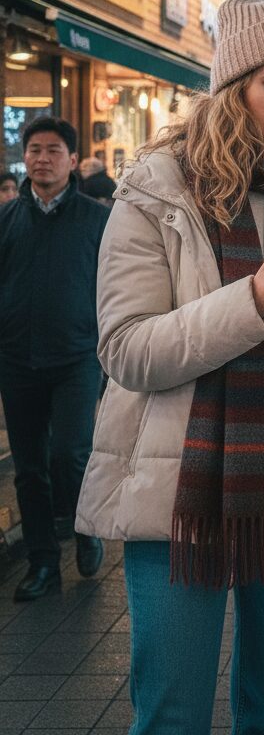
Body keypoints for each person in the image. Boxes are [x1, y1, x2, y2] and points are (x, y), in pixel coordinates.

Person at [75, 0, 264, 734]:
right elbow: (126, 348)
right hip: (181, 489)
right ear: (234, 87)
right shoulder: (156, 190)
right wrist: (254, 301)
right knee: (171, 712)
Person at [0, 118, 109, 600]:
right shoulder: (6, 218)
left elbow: (113, 290)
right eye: (34, 150)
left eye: (53, 150)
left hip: (78, 357)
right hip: (17, 360)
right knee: (29, 467)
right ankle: (43, 562)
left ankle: (86, 528)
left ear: (71, 159)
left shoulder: (97, 219)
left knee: (70, 453)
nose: (42, 158)